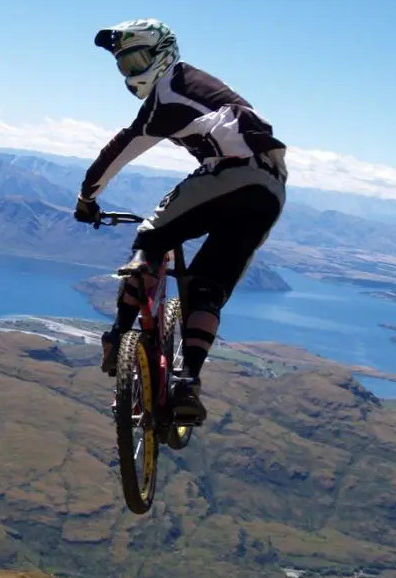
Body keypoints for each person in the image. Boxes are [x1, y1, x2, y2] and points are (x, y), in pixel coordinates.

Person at [74, 18, 288, 425]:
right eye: (124, 64)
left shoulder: (170, 89)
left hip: (230, 171)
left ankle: (119, 334)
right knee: (208, 288)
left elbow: (124, 146)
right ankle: (187, 382)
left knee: (152, 236)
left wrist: (88, 197)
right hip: (270, 192)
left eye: (137, 59)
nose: (132, 71)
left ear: (163, 52)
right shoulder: (202, 86)